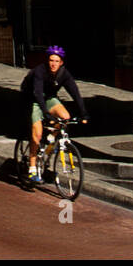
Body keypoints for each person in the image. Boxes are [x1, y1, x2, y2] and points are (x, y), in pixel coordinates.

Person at [19, 46, 88, 185]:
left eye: (57, 61)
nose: (53, 64)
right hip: (33, 99)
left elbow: (75, 93)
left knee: (65, 117)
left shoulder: (64, 74)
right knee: (37, 135)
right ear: (47, 60)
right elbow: (37, 93)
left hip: (49, 98)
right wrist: (45, 113)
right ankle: (32, 167)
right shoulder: (40, 71)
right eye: (51, 60)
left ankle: (51, 137)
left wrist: (84, 113)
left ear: (61, 62)